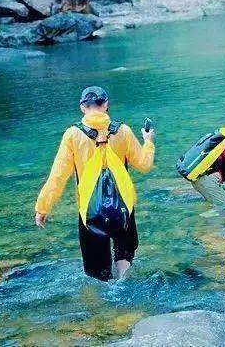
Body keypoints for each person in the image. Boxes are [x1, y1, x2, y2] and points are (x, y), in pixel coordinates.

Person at [34, 86, 155, 282]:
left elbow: (58, 176)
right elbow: (144, 164)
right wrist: (148, 142)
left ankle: (106, 294)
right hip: (123, 205)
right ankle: (123, 281)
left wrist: (43, 207)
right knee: (124, 251)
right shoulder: (122, 130)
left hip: (89, 210)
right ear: (106, 105)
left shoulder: (73, 134)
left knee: (98, 272)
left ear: (82, 107)